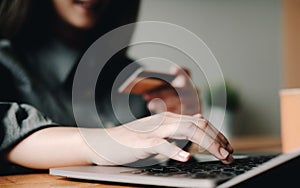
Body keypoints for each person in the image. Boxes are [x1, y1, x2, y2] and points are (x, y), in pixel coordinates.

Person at [0, 0, 234, 175]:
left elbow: (158, 162)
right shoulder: (5, 62)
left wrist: (182, 124)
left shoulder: (132, 76)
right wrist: (104, 142)